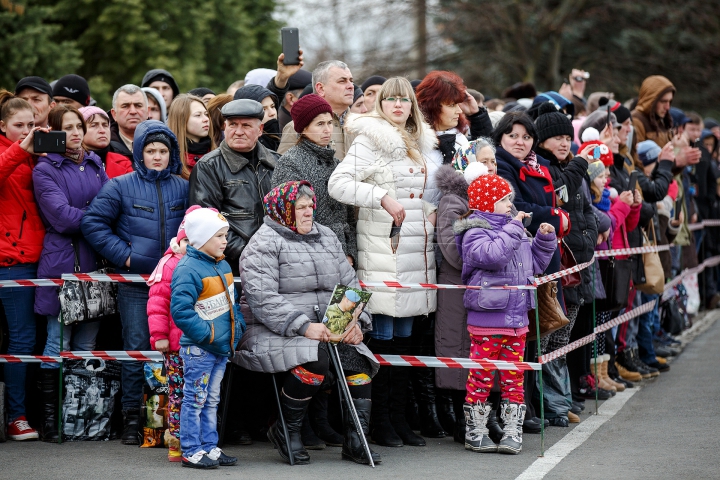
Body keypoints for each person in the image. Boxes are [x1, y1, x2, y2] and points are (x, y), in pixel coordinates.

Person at [238, 181, 380, 465]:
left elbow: (350, 284)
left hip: (327, 326)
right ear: (283, 211)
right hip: (272, 328)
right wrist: (304, 326)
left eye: (310, 206)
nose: (308, 212)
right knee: (315, 359)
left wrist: (355, 323)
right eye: (300, 207)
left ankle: (355, 439)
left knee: (358, 361)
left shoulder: (326, 236)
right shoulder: (263, 242)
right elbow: (262, 298)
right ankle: (286, 431)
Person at [329, 77, 437, 447]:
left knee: (407, 341)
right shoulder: (370, 138)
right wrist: (379, 196)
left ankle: (400, 419)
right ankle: (379, 423)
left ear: (412, 105)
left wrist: (431, 211)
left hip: (414, 253)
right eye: (389, 99)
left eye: (403, 99)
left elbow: (420, 194)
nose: (396, 105)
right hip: (383, 254)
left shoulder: (419, 143)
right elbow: (337, 184)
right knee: (385, 339)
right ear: (380, 104)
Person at [81, 120, 189, 445]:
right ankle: (131, 417)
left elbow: (197, 223)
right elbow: (93, 222)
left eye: (163, 151)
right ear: (139, 153)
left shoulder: (184, 186)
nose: (157, 156)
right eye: (150, 150)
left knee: (175, 348)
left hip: (174, 282)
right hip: (135, 283)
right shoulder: (119, 186)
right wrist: (125, 257)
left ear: (171, 154)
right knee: (136, 346)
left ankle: (168, 420)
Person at [454, 172, 557, 454]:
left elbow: (534, 265)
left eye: (509, 198)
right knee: (482, 377)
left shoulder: (515, 230)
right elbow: (492, 256)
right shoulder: (473, 231)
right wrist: (513, 229)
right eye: (503, 199)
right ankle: (475, 430)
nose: (510, 204)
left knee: (514, 377)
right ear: (487, 204)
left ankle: (513, 430)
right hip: (487, 319)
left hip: (517, 320)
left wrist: (545, 241)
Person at [32, 105, 109, 442]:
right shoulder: (44, 169)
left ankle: (81, 418)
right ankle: (50, 420)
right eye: (67, 128)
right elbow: (61, 218)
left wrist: (89, 215)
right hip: (61, 263)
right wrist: (95, 216)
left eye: (79, 125)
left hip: (95, 262)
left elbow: (113, 209)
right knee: (56, 343)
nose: (76, 133)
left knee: (88, 344)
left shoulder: (95, 163)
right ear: (52, 133)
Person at [492, 111, 570, 432]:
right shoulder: (501, 166)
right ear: (500, 138)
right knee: (516, 342)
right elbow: (520, 208)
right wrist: (554, 214)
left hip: (540, 257)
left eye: (526, 136)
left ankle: (532, 402)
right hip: (517, 263)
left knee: (535, 339)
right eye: (513, 135)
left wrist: (551, 216)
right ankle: (517, 406)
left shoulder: (536, 165)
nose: (520, 142)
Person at [171, 207, 244, 469]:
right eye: (220, 236)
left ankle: (209, 446)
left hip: (220, 348)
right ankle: (191, 450)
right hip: (200, 349)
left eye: (225, 235)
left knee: (211, 399)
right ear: (201, 239)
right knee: (195, 398)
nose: (225, 241)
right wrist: (207, 335)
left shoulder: (222, 264)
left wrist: (239, 327)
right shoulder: (187, 269)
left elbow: (232, 304)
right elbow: (180, 312)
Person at [435, 146, 499, 443]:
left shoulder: (497, 200)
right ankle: (466, 419)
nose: (489, 167)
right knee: (464, 353)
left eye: (492, 161)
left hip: (488, 290)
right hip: (460, 290)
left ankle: (489, 416)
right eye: (481, 161)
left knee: (488, 352)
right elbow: (453, 251)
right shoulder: (453, 201)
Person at [0, 91, 46, 441]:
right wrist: (22, 150)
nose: (26, 131)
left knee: (26, 340)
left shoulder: (36, 156)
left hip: (32, 260)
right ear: (3, 126)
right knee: (21, 338)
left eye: (32, 124)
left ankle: (19, 415)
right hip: (10, 261)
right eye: (19, 126)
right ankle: (16, 416)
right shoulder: (12, 153)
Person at [189, 99, 278, 273]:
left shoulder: (278, 162)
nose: (238, 132)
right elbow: (207, 223)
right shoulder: (208, 166)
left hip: (277, 263)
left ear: (260, 130)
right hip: (230, 267)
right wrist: (249, 254)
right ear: (224, 127)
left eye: (246, 125)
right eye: (232, 125)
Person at [271, 94, 357, 263]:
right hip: (309, 258)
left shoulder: (338, 164)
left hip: (343, 256)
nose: (327, 130)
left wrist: (350, 254)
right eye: (320, 124)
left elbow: (349, 218)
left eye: (329, 123)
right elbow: (289, 221)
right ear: (303, 128)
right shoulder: (289, 163)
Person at [146, 207, 198, 462]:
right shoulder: (169, 264)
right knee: (178, 394)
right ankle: (176, 441)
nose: (190, 245)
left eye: (195, 241)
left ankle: (196, 440)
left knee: (199, 394)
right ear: (179, 241)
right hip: (176, 347)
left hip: (200, 344)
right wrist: (160, 336)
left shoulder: (209, 263)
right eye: (186, 240)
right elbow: (157, 303)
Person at [415, 70, 493, 204]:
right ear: (431, 106)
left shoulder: (460, 140)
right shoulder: (414, 142)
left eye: (458, 104)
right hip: (423, 221)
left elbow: (488, 150)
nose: (459, 110)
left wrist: (476, 115)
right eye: (451, 105)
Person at [278, 60, 355, 156]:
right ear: (321, 88)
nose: (351, 86)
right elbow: (284, 168)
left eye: (351, 81)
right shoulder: (298, 127)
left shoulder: (363, 125)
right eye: (342, 81)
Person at [166, 94, 216, 179]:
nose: (206, 119)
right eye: (198, 115)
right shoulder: (167, 160)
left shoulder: (217, 155)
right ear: (181, 120)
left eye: (206, 114)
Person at [79, 106, 134, 178]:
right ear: (79, 131)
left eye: (105, 125)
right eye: (94, 125)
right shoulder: (70, 162)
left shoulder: (123, 161)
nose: (102, 130)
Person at [233, 85, 281, 151]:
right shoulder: (246, 147)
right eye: (263, 109)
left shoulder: (280, 135)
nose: (272, 113)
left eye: (272, 106)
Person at [109, 85, 149, 160]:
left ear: (148, 112)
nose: (133, 111)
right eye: (125, 106)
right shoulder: (105, 148)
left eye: (138, 105)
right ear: (114, 114)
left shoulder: (163, 144)